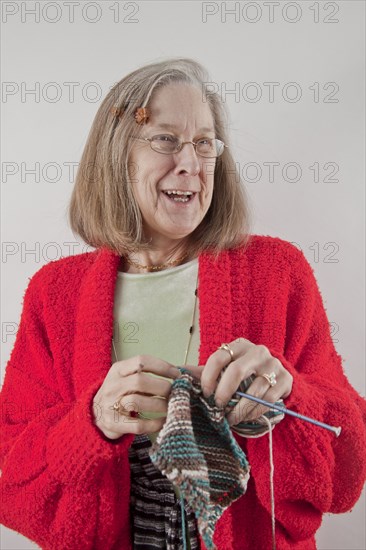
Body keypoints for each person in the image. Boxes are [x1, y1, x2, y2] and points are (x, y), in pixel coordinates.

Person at [0, 57, 365, 550]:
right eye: (166, 139)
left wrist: (288, 394)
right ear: (117, 157)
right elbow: (12, 481)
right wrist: (93, 422)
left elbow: (347, 472)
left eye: (203, 143)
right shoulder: (55, 293)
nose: (190, 163)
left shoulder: (278, 272)